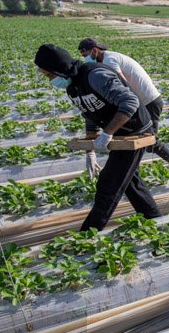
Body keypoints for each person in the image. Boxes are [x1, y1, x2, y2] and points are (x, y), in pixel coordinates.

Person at [34, 44, 162, 231]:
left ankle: (88, 234)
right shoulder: (73, 87)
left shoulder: (95, 75)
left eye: (50, 75)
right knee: (130, 182)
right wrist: (90, 151)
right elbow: (90, 113)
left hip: (136, 130)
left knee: (108, 185)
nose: (51, 80)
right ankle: (155, 220)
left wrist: (108, 133)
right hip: (120, 132)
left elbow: (130, 101)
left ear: (59, 69)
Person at [77, 37, 169, 164]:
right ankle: (140, 166)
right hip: (144, 100)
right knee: (145, 140)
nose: (85, 59)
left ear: (95, 51)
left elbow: (123, 84)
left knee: (150, 140)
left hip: (148, 102)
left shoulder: (109, 61)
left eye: (85, 55)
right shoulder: (108, 58)